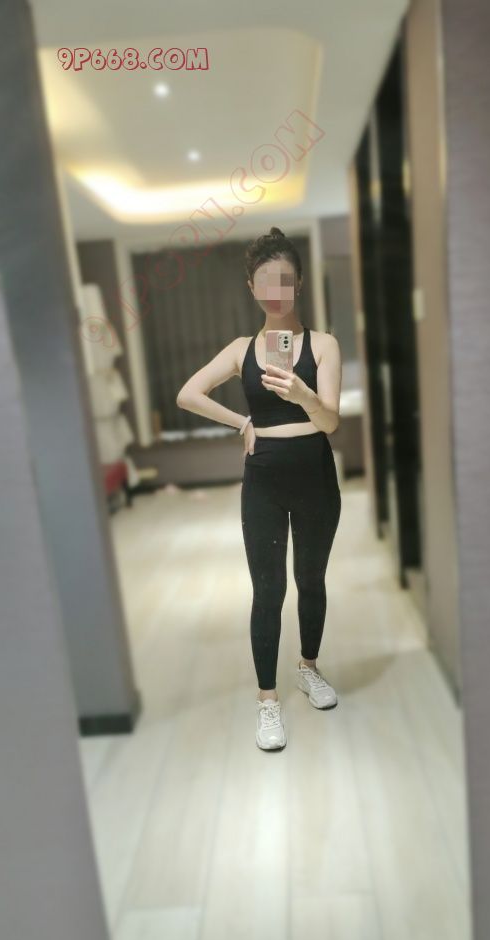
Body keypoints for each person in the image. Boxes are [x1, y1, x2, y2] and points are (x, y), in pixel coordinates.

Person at [176, 227, 342, 751]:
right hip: (264, 480)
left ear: (299, 284)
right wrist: (242, 422)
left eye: (285, 281)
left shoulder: (324, 345)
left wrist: (304, 395)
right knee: (268, 591)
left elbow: (330, 422)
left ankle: (308, 668)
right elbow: (188, 394)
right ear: (252, 287)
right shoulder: (240, 349)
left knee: (311, 580)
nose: (276, 292)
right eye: (265, 282)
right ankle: (267, 700)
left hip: (315, 475)